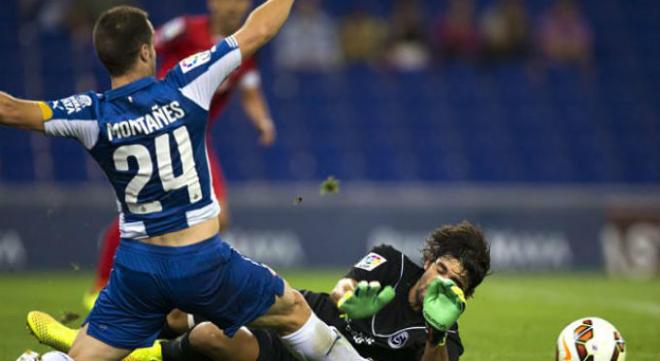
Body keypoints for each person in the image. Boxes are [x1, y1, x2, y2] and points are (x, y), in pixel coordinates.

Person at [1, 2, 372, 361]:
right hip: (201, 263)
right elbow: (258, 30)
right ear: (147, 51)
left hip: (137, 273)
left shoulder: (88, 113)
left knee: (84, 356)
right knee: (293, 311)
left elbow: (11, 109)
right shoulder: (186, 83)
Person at [26, 222, 490, 361]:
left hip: (320, 358)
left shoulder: (447, 333)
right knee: (175, 311)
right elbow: (344, 286)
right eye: (444, 269)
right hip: (306, 322)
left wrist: (433, 334)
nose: (445, 283)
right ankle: (83, 340)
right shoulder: (394, 260)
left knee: (209, 337)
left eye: (457, 283)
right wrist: (350, 298)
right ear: (431, 260)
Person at [86, 0, 277, 308]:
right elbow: (142, 46)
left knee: (218, 216)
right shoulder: (186, 29)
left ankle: (176, 286)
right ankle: (102, 285)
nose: (234, 7)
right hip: (158, 128)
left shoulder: (244, 54)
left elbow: (251, 93)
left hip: (195, 139)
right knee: (144, 209)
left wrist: (263, 121)